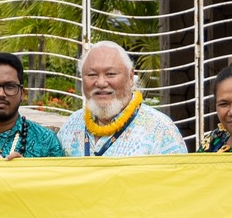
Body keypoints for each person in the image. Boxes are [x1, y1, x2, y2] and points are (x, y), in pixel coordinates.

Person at [57, 42, 187, 156]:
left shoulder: (161, 130)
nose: (101, 83)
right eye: (92, 74)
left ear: (131, 77)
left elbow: (179, 181)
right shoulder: (71, 126)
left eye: (111, 74)